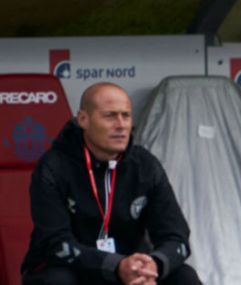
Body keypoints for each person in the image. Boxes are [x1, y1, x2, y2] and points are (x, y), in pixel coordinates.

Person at [21, 82, 201, 285]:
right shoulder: (54, 166)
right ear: (83, 120)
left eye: (126, 116)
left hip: (131, 269)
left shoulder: (145, 165)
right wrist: (115, 266)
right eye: (110, 116)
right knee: (57, 281)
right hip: (74, 268)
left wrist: (153, 265)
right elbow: (56, 244)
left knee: (184, 277)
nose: (121, 125)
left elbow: (177, 237)